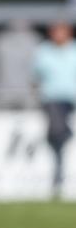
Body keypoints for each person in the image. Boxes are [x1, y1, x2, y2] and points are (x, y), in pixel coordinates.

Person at [33, 21, 76, 198]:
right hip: (52, 98)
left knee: (58, 132)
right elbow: (35, 76)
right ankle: (65, 134)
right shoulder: (44, 51)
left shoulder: (73, 50)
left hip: (71, 98)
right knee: (58, 130)